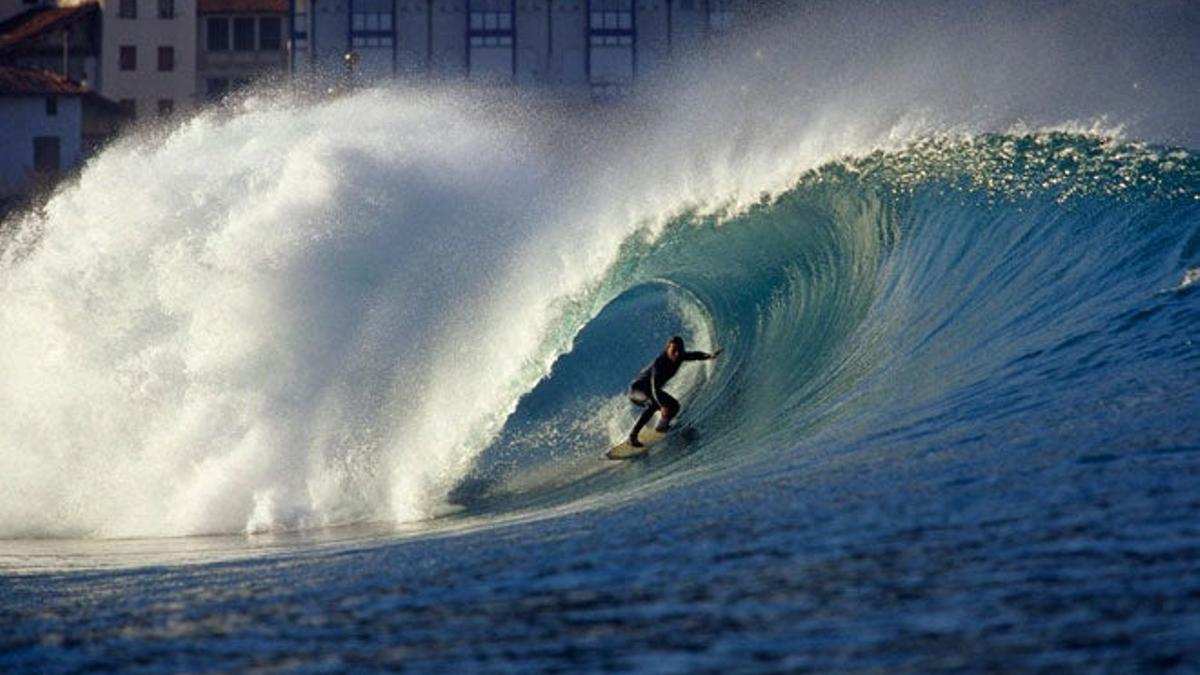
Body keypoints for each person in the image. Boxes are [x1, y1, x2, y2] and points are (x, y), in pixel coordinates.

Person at [627, 336, 721, 446]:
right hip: (637, 390)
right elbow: (654, 388)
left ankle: (662, 426)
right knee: (653, 404)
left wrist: (709, 356)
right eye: (673, 350)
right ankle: (632, 437)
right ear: (667, 349)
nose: (676, 353)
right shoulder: (660, 363)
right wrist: (661, 405)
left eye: (679, 350)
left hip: (651, 391)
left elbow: (695, 355)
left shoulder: (679, 356)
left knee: (674, 406)